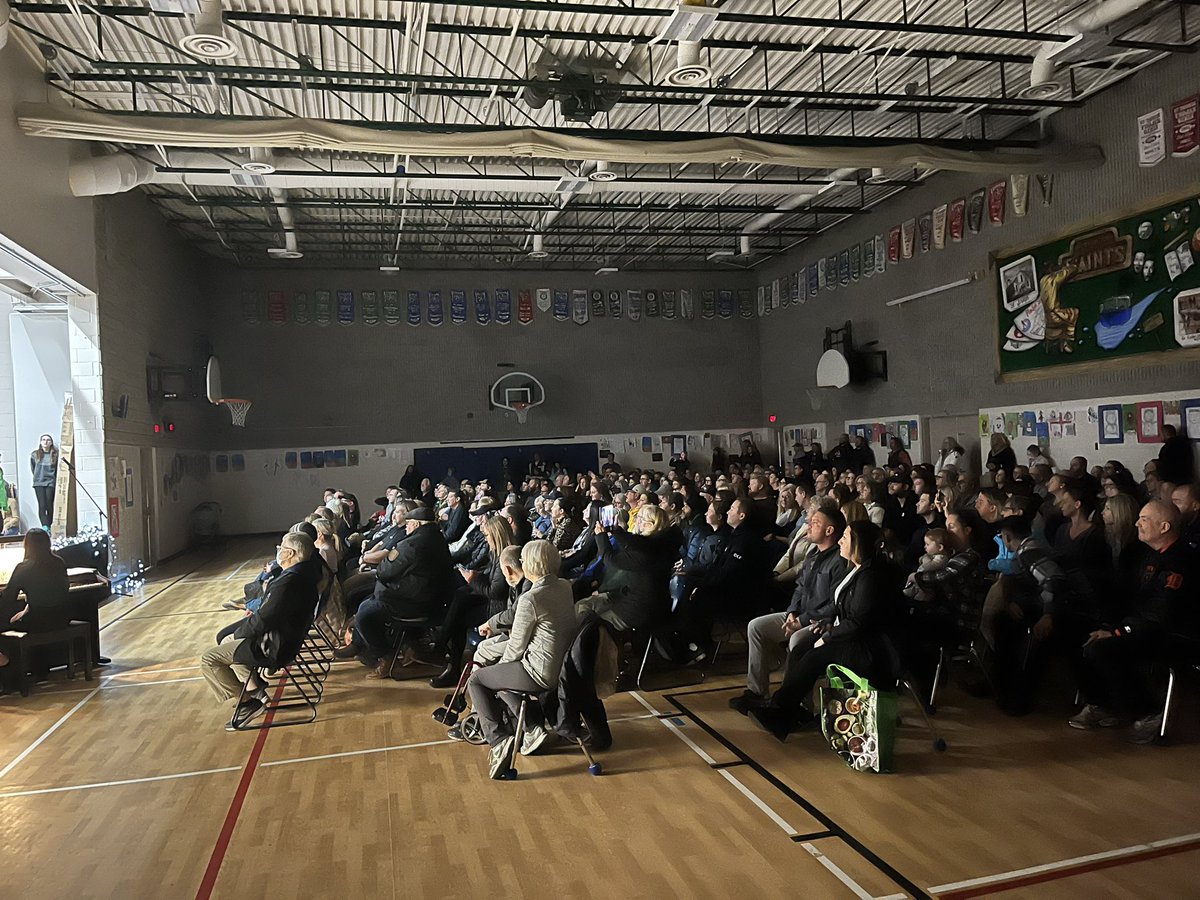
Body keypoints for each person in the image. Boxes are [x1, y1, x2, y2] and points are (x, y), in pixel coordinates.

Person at [749, 521, 901, 742]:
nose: (840, 540)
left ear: (858, 544)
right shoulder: (856, 568)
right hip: (852, 637)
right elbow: (845, 610)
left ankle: (780, 710)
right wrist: (828, 625)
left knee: (814, 656)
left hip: (870, 649)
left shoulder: (871, 576)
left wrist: (829, 636)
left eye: (846, 537)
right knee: (801, 648)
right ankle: (786, 714)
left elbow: (859, 622)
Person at [1071, 501, 1191, 741]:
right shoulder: (1150, 556)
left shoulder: (1181, 561)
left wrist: (1118, 631)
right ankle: (1102, 703)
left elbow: (1160, 614)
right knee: (1073, 630)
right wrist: (1107, 622)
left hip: (1174, 635)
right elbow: (1132, 600)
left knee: (1103, 648)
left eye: (1144, 519)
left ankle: (1148, 712)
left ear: (1164, 526)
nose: (1137, 523)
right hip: (1142, 627)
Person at [466, 540, 577, 779]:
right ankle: (530, 726)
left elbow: (515, 649)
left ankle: (498, 741)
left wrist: (496, 670)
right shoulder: (564, 586)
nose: (522, 564)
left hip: (538, 672)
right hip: (563, 667)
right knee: (496, 673)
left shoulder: (531, 599)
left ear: (534, 565)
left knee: (477, 680)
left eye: (525, 560)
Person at [732, 507, 848, 713]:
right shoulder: (813, 554)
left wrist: (801, 621)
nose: (809, 525)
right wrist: (792, 612)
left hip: (820, 623)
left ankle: (789, 701)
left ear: (830, 531)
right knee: (756, 627)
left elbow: (834, 604)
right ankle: (757, 691)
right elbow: (800, 587)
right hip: (799, 615)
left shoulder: (839, 561)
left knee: (797, 641)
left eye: (816, 523)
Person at [200, 531, 321, 729]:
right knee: (231, 645)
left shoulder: (289, 582)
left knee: (209, 659)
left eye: (281, 548)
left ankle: (248, 702)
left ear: (290, 554)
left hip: (273, 646)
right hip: (285, 640)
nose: (279, 552)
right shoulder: (305, 574)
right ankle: (256, 691)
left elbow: (265, 619)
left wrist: (239, 634)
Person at [345, 507, 454, 676]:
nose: (407, 528)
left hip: (417, 604)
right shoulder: (435, 538)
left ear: (416, 524)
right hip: (429, 600)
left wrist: (381, 567)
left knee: (365, 614)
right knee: (366, 601)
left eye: (409, 525)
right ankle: (359, 644)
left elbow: (385, 571)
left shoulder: (413, 543)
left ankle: (384, 657)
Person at [0, 530, 71, 663]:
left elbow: (9, 597)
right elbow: (60, 591)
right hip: (62, 617)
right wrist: (28, 608)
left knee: (5, 623)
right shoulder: (58, 562)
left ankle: (15, 666)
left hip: (37, 621)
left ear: (27, 546)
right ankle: (44, 665)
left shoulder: (23, 567)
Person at [30, 434, 58, 528]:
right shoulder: (35, 454)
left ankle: (49, 525)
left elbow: (57, 470)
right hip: (39, 483)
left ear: (51, 443)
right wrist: (37, 477)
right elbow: (33, 468)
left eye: (48, 440)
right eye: (43, 440)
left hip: (50, 482)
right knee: (42, 505)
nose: (45, 442)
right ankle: (44, 526)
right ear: (40, 442)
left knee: (49, 504)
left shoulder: (55, 455)